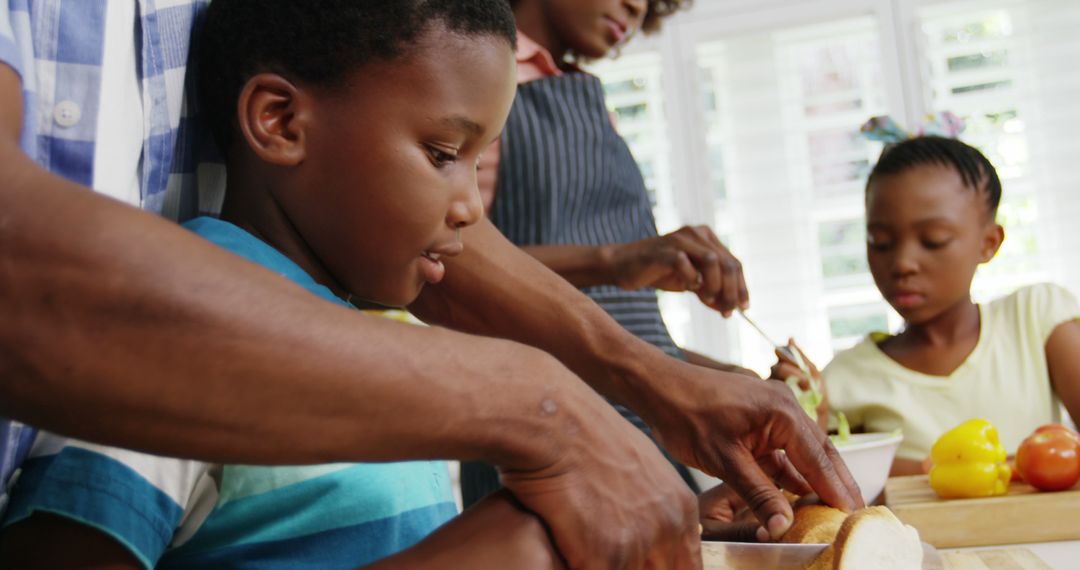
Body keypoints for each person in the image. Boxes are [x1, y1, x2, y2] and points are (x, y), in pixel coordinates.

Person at [0, 0, 861, 563]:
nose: (467, 205)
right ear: (276, 121)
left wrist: (656, 509)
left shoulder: (393, 331)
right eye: (446, 156)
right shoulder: (178, 364)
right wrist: (523, 542)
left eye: (479, 162)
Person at [463, 0, 756, 505]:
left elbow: (612, 320)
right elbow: (453, 260)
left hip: (645, 440)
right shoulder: (472, 72)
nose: (637, 7)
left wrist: (716, 378)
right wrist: (616, 260)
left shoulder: (590, 105)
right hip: (540, 438)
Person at [774, 133, 1080, 476]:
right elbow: (819, 480)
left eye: (933, 240)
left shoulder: (1035, 317)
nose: (903, 263)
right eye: (881, 241)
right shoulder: (844, 380)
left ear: (989, 243)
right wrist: (800, 422)